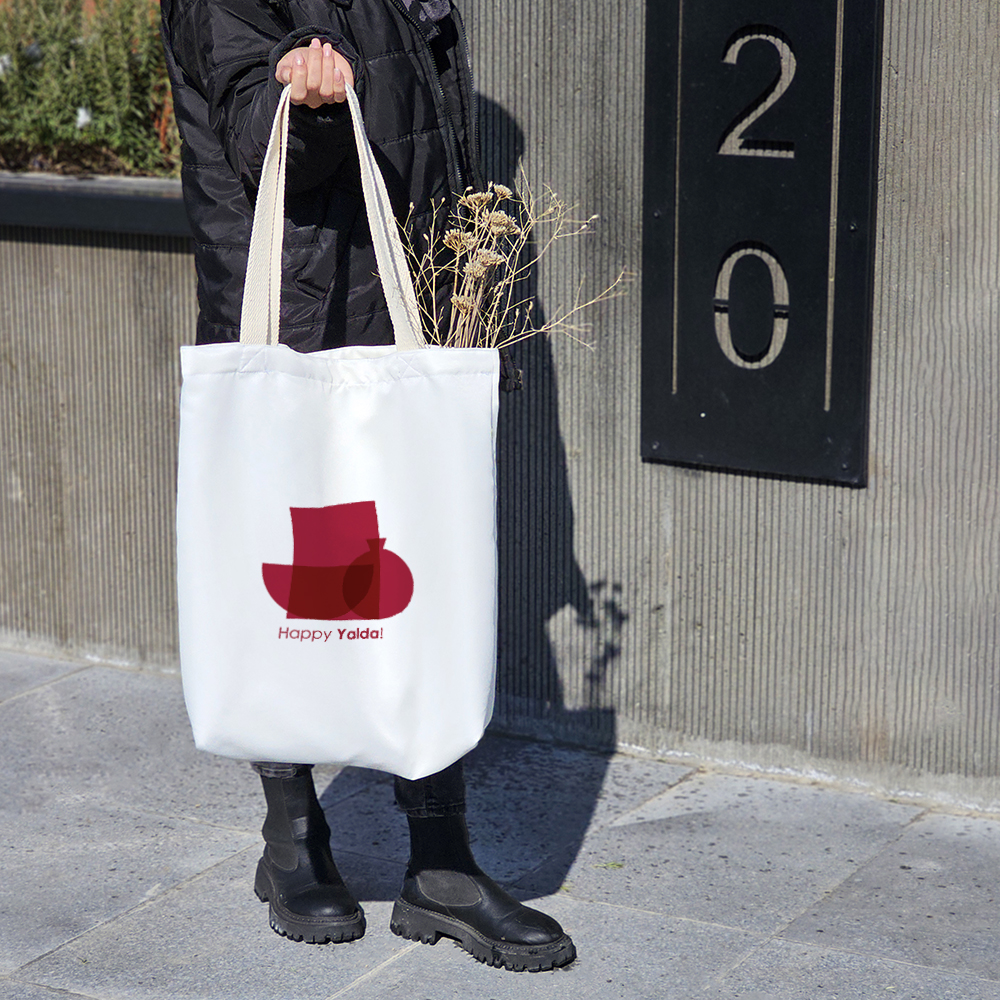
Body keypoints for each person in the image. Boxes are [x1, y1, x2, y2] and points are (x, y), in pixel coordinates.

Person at [159, 0, 574, 973]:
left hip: (399, 301)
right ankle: (293, 837)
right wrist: (300, 106)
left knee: (418, 575)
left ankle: (442, 861)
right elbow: (254, 135)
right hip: (299, 303)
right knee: (297, 582)